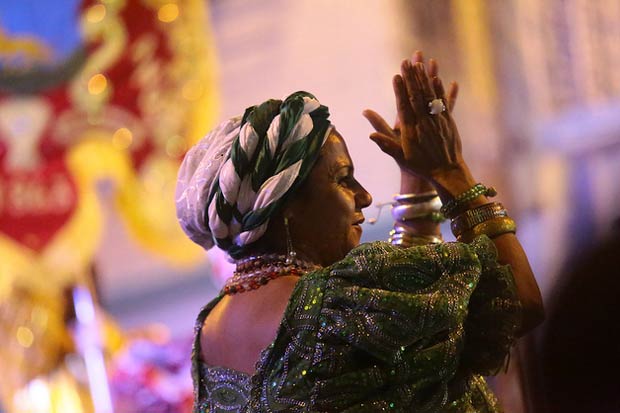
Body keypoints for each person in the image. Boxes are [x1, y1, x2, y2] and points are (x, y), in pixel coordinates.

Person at [175, 52, 544, 412]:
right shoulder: (329, 303)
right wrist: (451, 171)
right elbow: (518, 304)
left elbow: (392, 353)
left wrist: (415, 180)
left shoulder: (209, 330)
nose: (364, 196)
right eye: (341, 179)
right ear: (283, 203)